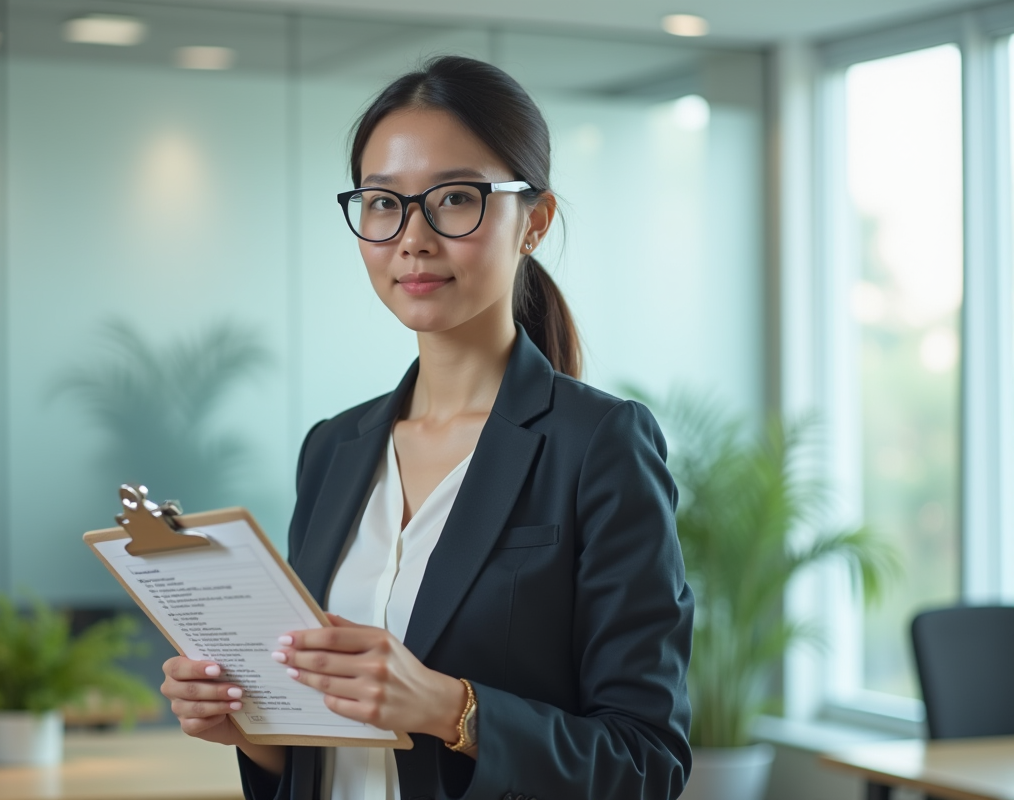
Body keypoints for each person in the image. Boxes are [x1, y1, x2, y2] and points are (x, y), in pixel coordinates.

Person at [160, 55, 693, 800]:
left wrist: (452, 710)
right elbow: (324, 758)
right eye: (383, 203)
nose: (412, 237)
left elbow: (647, 764)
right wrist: (251, 725)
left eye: (454, 198)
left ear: (532, 222)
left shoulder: (598, 446)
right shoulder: (333, 450)